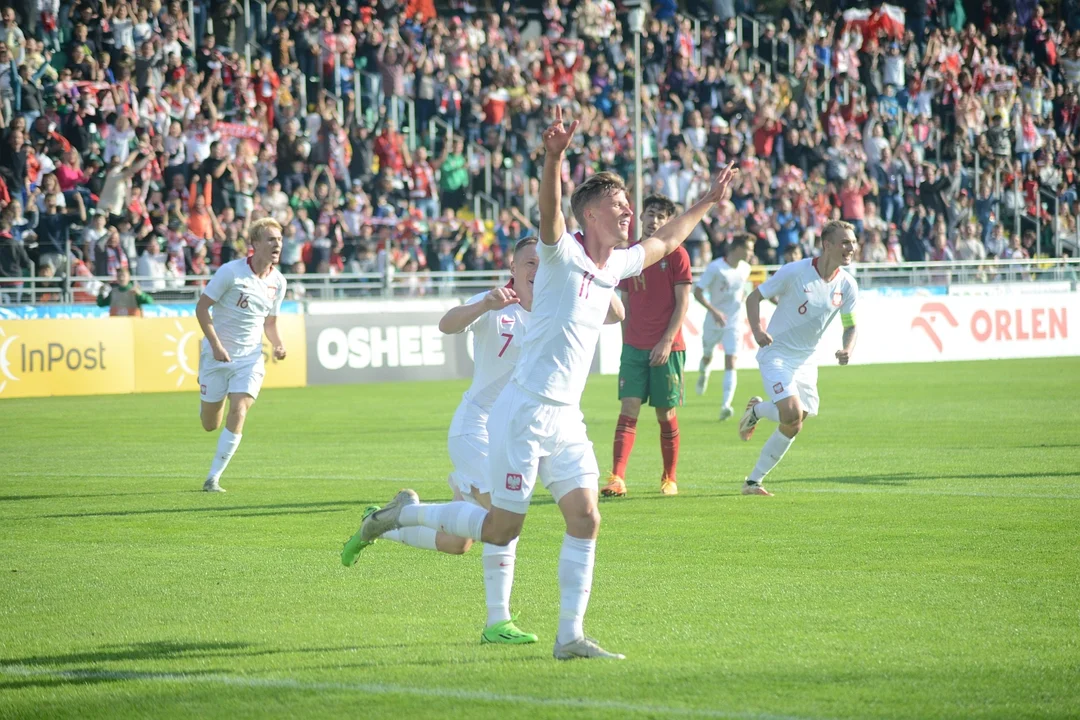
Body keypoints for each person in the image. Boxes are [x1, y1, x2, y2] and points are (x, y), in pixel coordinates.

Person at [357, 107, 736, 660]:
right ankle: (401, 516)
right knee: (502, 529)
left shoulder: (613, 267)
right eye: (619, 206)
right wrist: (554, 157)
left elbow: (667, 241)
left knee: (586, 516)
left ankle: (569, 636)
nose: (630, 213)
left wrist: (707, 201)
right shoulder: (561, 254)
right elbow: (550, 212)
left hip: (566, 417)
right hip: (525, 412)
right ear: (591, 212)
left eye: (630, 206)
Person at [341, 237, 605, 646]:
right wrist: (486, 304)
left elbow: (616, 312)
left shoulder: (560, 304)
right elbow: (446, 323)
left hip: (523, 431)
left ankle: (385, 523)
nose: (536, 269)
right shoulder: (496, 303)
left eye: (542, 262)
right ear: (512, 270)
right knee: (504, 519)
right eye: (528, 263)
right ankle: (497, 622)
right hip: (478, 428)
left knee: (458, 543)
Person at [737, 220, 859, 496]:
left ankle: (756, 421)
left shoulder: (848, 285)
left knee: (795, 422)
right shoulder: (795, 271)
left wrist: (847, 349)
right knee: (790, 412)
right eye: (845, 242)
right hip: (777, 353)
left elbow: (850, 324)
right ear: (827, 245)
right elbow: (754, 298)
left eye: (853, 242)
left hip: (806, 360)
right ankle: (753, 475)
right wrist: (757, 331)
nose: (851, 247)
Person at [601, 193, 692, 498]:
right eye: (650, 214)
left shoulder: (677, 254)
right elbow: (624, 302)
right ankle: (617, 477)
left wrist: (666, 340)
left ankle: (669, 477)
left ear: (669, 223)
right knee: (628, 409)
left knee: (664, 414)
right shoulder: (627, 256)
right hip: (634, 348)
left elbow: (683, 303)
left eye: (661, 217)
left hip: (668, 348)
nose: (654, 221)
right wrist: (628, 341)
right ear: (640, 218)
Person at [195, 218, 288, 493]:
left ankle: (214, 477)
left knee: (240, 409)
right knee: (210, 424)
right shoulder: (230, 272)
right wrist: (215, 345)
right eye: (271, 239)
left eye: (279, 240)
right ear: (255, 244)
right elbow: (202, 309)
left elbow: (270, 323)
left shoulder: (278, 282)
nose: (277, 245)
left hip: (249, 359)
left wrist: (278, 344)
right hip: (216, 356)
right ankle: (213, 398)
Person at [693, 233, 755, 419]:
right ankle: (704, 372)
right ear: (737, 249)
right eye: (748, 249)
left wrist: (744, 296)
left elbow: (744, 286)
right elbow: (697, 292)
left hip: (734, 322)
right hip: (713, 321)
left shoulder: (746, 268)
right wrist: (714, 311)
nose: (751, 253)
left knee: (731, 360)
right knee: (707, 356)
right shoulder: (715, 268)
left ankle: (725, 405)